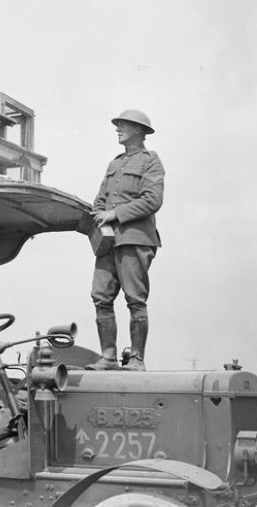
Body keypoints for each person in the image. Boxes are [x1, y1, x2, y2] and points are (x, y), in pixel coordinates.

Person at [86, 110, 164, 371]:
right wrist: (99, 214)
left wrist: (115, 214)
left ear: (140, 131)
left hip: (135, 239)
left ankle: (137, 359)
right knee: (101, 296)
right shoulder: (114, 164)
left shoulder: (151, 162)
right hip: (107, 242)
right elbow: (99, 200)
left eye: (123, 125)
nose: (117, 129)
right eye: (117, 125)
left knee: (135, 299)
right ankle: (108, 357)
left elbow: (153, 200)